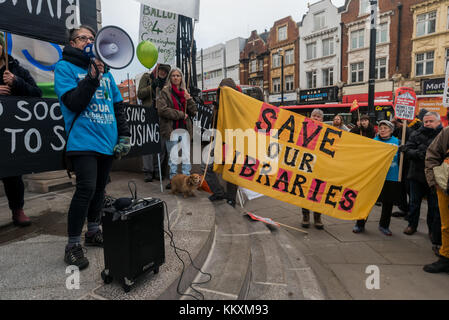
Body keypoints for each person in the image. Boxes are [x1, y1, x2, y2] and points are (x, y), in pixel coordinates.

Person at [54, 25, 131, 269]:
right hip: (83, 141)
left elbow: (118, 107)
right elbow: (74, 103)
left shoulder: (107, 74)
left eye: (92, 38)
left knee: (100, 190)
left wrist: (124, 136)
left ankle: (93, 231)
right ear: (73, 43)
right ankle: (73, 245)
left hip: (106, 141)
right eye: (83, 38)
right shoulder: (64, 68)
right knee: (85, 189)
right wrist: (91, 76)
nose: (89, 41)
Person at [0, 32, 42, 227]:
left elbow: (36, 93)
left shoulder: (16, 68)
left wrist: (16, 82)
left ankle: (17, 210)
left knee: (13, 174)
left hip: (11, 132)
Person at [353, 120, 399, 236]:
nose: (382, 130)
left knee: (388, 203)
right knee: (367, 201)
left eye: (385, 128)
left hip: (391, 177)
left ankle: (384, 226)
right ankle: (360, 224)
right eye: (380, 128)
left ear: (391, 130)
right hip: (374, 177)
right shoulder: (374, 142)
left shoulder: (397, 142)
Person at [401, 112, 442, 237]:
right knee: (414, 203)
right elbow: (407, 150)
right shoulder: (416, 133)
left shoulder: (442, 135)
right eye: (426, 121)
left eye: (431, 121)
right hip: (416, 175)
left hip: (434, 176)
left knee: (434, 206)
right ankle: (412, 225)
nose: (428, 123)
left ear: (438, 122)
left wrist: (422, 153)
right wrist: (420, 154)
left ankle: (432, 230)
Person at [156, 67, 197, 189]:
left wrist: (189, 99)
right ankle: (174, 180)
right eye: (173, 75)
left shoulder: (185, 92)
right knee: (173, 156)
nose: (175, 77)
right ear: (170, 78)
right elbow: (162, 110)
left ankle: (186, 179)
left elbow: (194, 111)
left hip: (184, 129)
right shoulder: (165, 92)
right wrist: (180, 114)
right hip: (171, 129)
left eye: (178, 75)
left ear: (181, 78)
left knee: (185, 156)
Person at [204, 78, 241, 208]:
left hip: (232, 142)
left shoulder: (237, 105)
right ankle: (219, 192)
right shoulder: (217, 104)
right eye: (221, 90)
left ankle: (231, 199)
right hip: (218, 142)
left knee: (230, 171)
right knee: (208, 168)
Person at [138, 63, 171, 182]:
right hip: (148, 114)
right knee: (148, 144)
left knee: (161, 145)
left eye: (165, 71)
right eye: (161, 70)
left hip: (161, 116)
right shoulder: (147, 77)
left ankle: (158, 171)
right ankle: (148, 171)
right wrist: (151, 86)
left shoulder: (168, 84)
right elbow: (140, 94)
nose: (162, 72)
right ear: (157, 70)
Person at [423, 125, 449, 273]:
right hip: (445, 186)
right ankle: (445, 257)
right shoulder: (447, 132)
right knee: (446, 225)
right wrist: (434, 182)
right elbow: (432, 155)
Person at [301, 109, 325, 230]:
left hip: (320, 167)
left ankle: (317, 217)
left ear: (322, 119)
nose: (316, 118)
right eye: (314, 116)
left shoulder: (327, 132)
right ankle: (305, 216)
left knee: (318, 192)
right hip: (306, 165)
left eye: (318, 117)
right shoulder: (303, 129)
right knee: (304, 191)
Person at [391, 118, 411, 218]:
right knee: (401, 188)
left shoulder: (411, 129)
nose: (398, 125)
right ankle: (403, 208)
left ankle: (411, 212)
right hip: (400, 164)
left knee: (408, 189)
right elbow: (393, 135)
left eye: (398, 123)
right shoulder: (399, 129)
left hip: (408, 165)